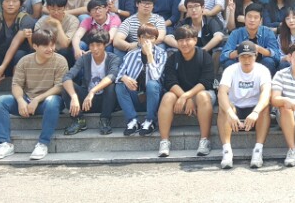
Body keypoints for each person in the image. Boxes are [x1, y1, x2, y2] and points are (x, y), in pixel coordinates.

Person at [0, 28, 68, 161]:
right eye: (46, 46)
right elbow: (16, 84)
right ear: (35, 46)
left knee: (53, 101)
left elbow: (59, 86)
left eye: (52, 45)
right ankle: (4, 144)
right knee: (0, 101)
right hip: (27, 100)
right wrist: (20, 100)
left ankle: (43, 143)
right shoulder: (25, 61)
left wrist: (37, 99)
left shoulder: (60, 60)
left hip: (47, 101)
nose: (50, 49)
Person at [158, 25, 216, 158]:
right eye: (180, 40)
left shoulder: (204, 56)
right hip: (180, 95)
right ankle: (164, 142)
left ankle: (205, 140)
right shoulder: (173, 58)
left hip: (202, 93)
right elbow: (170, 82)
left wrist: (187, 96)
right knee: (167, 97)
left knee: (202, 96)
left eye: (188, 39)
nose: (184, 43)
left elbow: (206, 82)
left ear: (195, 40)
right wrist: (186, 97)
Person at [217, 40, 273, 169]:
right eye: (243, 56)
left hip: (254, 108)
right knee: (224, 107)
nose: (246, 60)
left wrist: (256, 112)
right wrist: (230, 113)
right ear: (238, 57)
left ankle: (258, 150)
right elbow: (222, 92)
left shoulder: (262, 70)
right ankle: (227, 151)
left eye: (250, 56)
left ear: (256, 56)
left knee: (264, 107)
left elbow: (266, 93)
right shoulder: (230, 70)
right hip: (236, 107)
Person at [60, 30, 119, 136]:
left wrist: (92, 91)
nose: (95, 48)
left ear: (105, 45)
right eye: (92, 45)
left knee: (111, 85)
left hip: (107, 101)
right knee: (66, 87)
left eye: (98, 45)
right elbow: (67, 77)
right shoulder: (84, 58)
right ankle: (79, 120)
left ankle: (105, 120)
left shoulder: (113, 58)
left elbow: (112, 76)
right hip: (87, 102)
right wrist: (74, 96)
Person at [115, 24, 166, 137]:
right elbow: (119, 74)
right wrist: (124, 78)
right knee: (120, 85)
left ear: (155, 39)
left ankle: (150, 121)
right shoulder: (130, 55)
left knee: (152, 84)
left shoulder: (162, 54)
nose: (147, 40)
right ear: (139, 39)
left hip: (155, 97)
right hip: (136, 95)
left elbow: (156, 76)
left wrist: (149, 55)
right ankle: (133, 121)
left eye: (151, 37)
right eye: (144, 37)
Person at [220, 3, 282, 74]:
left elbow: (277, 56)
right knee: (228, 63)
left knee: (269, 61)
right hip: (241, 65)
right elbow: (223, 56)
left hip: (261, 66)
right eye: (249, 16)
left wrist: (258, 49)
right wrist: (241, 50)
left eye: (256, 17)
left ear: (260, 20)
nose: (252, 20)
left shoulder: (268, 33)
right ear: (245, 18)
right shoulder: (236, 33)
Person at [34, 0, 80, 66]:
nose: (56, 12)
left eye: (59, 9)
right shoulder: (42, 21)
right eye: (52, 9)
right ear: (48, 8)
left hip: (63, 52)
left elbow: (64, 44)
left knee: (65, 52)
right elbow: (36, 43)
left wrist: (58, 24)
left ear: (65, 7)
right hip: (46, 50)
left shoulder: (73, 20)